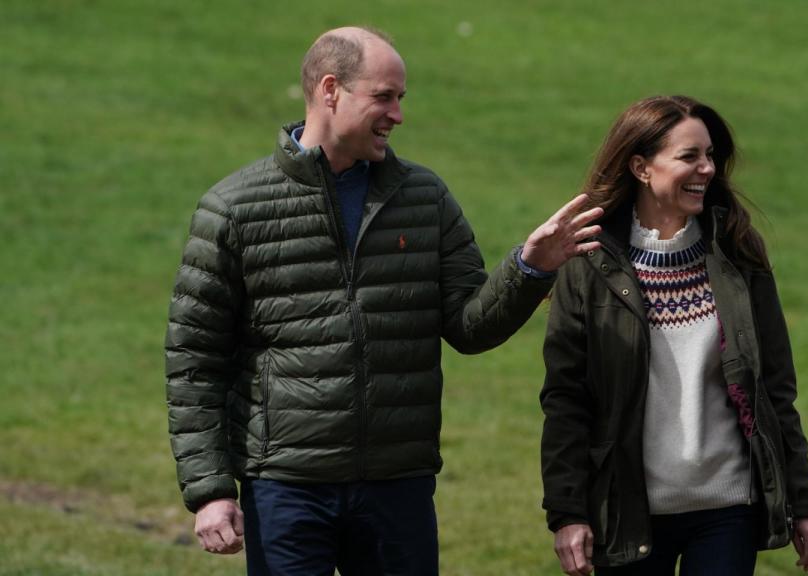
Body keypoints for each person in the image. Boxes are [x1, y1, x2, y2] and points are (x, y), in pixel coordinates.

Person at [165, 26, 602, 576]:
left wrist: (529, 268)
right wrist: (209, 490)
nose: (398, 114)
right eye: (384, 96)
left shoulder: (425, 198)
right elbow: (194, 362)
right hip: (286, 486)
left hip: (399, 486)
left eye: (401, 99)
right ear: (331, 90)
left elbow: (469, 327)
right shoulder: (234, 209)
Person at [539, 95, 808, 575]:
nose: (708, 169)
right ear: (641, 167)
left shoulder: (738, 252)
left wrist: (804, 502)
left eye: (710, 155)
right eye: (689, 156)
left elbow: (774, 388)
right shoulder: (587, 260)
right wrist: (567, 512)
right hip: (628, 511)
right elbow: (567, 399)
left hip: (728, 508)